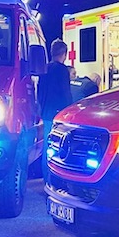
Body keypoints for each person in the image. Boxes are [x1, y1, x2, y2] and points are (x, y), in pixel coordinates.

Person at [37, 38, 72, 183]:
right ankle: (56, 178)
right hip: (59, 114)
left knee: (47, 145)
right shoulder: (62, 70)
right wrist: (70, 109)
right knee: (59, 146)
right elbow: (65, 92)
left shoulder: (45, 68)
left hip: (46, 113)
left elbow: (39, 92)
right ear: (64, 54)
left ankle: (46, 177)